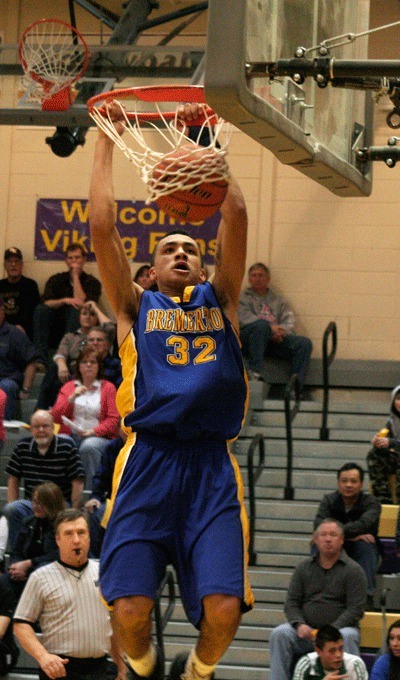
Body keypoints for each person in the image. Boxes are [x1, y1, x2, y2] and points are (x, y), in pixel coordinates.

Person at [89, 101, 253, 680]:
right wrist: (107, 136)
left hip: (210, 464)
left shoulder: (222, 301)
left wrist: (205, 140)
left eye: (190, 247)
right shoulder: (135, 310)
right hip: (148, 461)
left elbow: (234, 214)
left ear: (203, 266)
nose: (182, 251)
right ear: (151, 270)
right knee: (130, 611)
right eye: (168, 248)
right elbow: (101, 227)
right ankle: (140, 667)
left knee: (225, 610)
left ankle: (197, 674)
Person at [13, 508, 126, 680]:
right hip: (59, 669)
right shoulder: (40, 577)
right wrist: (43, 657)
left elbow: (113, 625)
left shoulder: (105, 573)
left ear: (89, 537)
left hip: (100, 668)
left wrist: (122, 668)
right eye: (68, 534)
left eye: (81, 533)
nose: (76, 540)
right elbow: (21, 624)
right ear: (57, 539)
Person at [269, 519, 367, 680]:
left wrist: (329, 631)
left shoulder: (354, 570)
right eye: (323, 535)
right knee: (280, 634)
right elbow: (291, 603)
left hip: (339, 633)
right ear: (315, 539)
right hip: (307, 634)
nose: (328, 539)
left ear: (341, 540)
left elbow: (355, 609)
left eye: (333, 535)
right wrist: (299, 624)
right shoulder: (303, 568)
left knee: (348, 635)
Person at [4, 409, 85, 553]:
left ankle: (55, 555)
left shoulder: (66, 446)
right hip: (32, 503)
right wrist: (13, 502)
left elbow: (77, 481)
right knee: (12, 509)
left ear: (53, 427)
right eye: (36, 426)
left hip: (60, 503)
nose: (41, 430)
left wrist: (75, 511)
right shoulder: (22, 446)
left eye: (45, 426)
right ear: (31, 429)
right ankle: (19, 554)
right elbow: (13, 478)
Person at [238, 263, 313, 392]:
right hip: (250, 341)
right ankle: (255, 373)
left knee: (304, 343)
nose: (257, 278)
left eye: (261, 275)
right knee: (260, 326)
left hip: (272, 341)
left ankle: (295, 389)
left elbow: (289, 320)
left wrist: (281, 331)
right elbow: (243, 319)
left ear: (268, 279)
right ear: (249, 279)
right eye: (254, 276)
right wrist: (270, 328)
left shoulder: (278, 300)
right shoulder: (243, 298)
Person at [51, 347, 119, 490]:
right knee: (61, 442)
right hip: (72, 434)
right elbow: (56, 417)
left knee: (89, 446)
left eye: (93, 362)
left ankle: (88, 493)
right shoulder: (69, 387)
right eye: (84, 362)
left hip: (99, 437)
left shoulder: (108, 388)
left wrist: (93, 431)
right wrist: (71, 398)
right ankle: (59, 492)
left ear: (99, 366)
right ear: (79, 366)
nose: (88, 365)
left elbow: (113, 420)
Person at [314, 461, 381, 605]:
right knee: (318, 543)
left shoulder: (372, 502)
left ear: (361, 484)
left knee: (365, 544)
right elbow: (319, 525)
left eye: (353, 481)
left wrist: (334, 533)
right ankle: (316, 594)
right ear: (338, 483)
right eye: (344, 481)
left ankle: (365, 597)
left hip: (361, 550)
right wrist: (348, 537)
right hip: (337, 548)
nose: (348, 485)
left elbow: (365, 524)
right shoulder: (329, 500)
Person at [33, 243, 102, 368]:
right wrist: (64, 300)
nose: (74, 261)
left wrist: (75, 276)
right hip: (55, 325)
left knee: (75, 310)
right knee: (41, 310)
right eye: (70, 258)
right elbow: (45, 302)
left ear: (84, 260)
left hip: (77, 326)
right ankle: (40, 360)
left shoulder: (92, 282)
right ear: (65, 260)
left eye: (77, 257)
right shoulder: (56, 279)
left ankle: (69, 358)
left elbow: (84, 306)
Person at [36, 301, 115, 410]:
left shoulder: (101, 335)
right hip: (71, 370)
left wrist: (96, 308)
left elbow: (111, 327)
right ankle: (41, 410)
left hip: (93, 368)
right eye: (84, 314)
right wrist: (62, 366)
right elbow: (60, 354)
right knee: (54, 369)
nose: (88, 317)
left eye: (92, 314)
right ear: (79, 317)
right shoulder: (70, 336)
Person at [2, 481, 66, 602]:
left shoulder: (62, 525)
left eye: (41, 503)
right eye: (34, 502)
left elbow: (58, 554)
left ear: (52, 504)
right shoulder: (28, 522)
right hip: (27, 571)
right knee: (5, 580)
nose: (36, 506)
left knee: (38, 576)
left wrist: (28, 564)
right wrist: (15, 566)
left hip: (47, 570)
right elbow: (16, 551)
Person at [85, 433, 126, 558]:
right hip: (113, 499)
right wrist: (95, 497)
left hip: (138, 500)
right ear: (118, 429)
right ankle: (95, 562)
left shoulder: (145, 447)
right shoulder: (112, 447)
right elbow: (102, 476)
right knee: (96, 514)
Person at [0, 295, 38, 419]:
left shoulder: (14, 333)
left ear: (2, 311)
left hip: (7, 380)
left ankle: (2, 430)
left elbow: (31, 362)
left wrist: (26, 389)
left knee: (6, 387)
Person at [292, 624, 368, 680]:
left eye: (341, 648)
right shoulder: (306, 663)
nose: (338, 655)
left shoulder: (355, 664)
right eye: (332, 651)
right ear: (318, 651)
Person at [367, 385, 400, 504]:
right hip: (396, 459)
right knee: (374, 454)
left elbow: (391, 443)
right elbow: (386, 441)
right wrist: (378, 442)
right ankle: (382, 498)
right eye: (398, 399)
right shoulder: (391, 421)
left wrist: (391, 443)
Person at [0, 247, 40, 339]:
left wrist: (14, 328)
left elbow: (29, 314)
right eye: (9, 261)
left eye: (17, 261)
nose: (13, 265)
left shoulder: (30, 285)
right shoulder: (1, 285)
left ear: (21, 264)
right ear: (4, 265)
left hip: (22, 331)